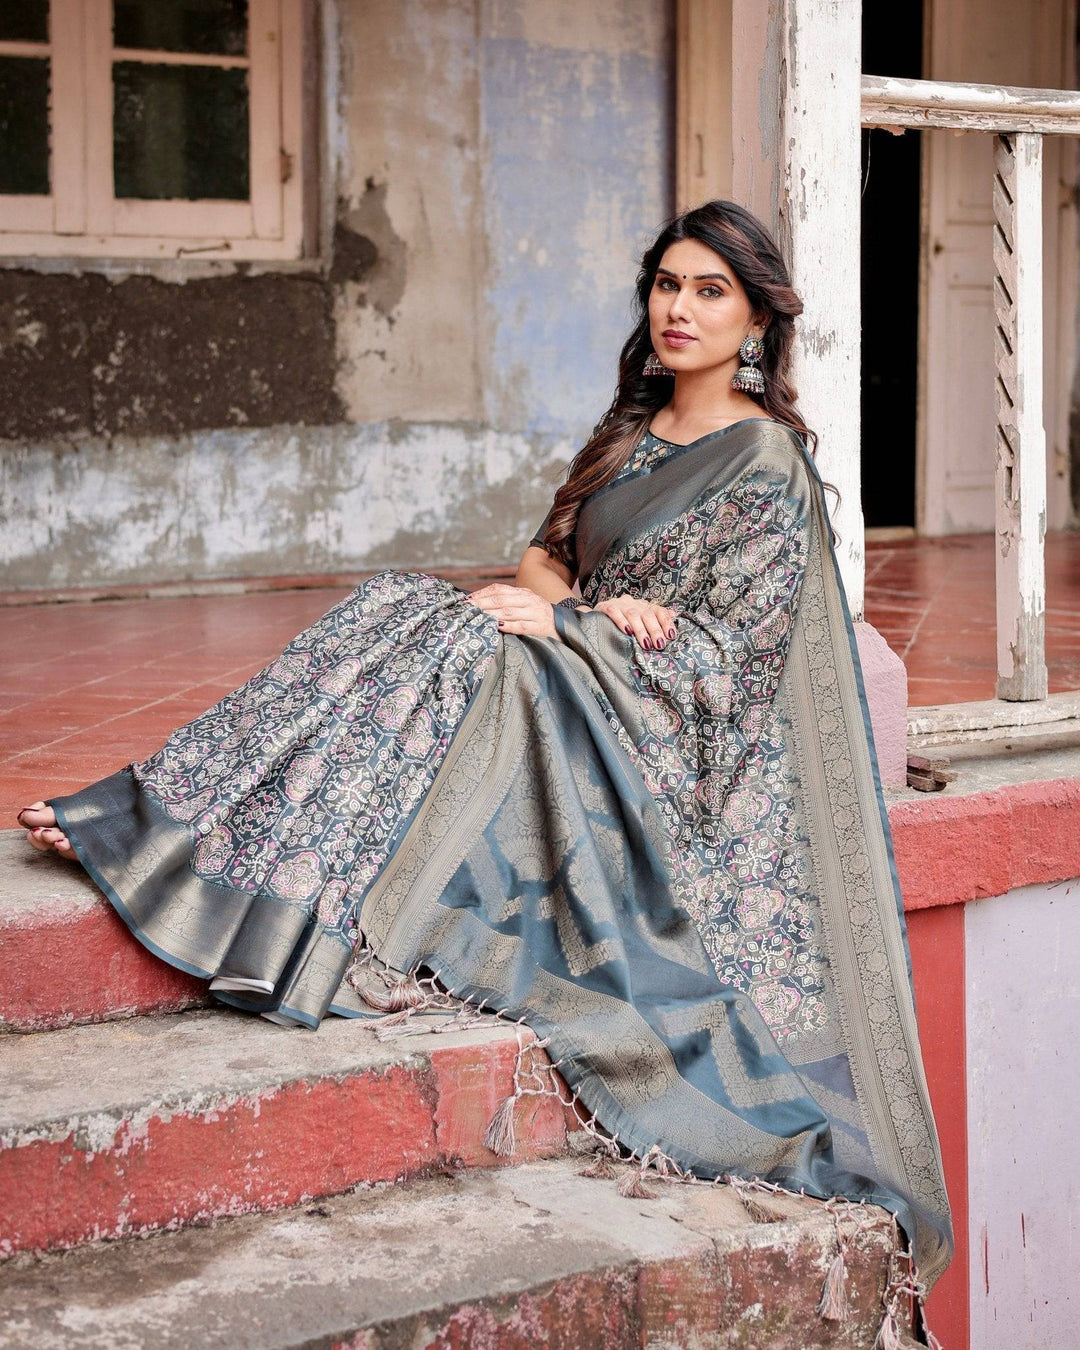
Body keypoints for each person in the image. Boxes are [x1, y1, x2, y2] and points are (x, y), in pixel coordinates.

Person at [17, 200, 952, 1331]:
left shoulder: (764, 463)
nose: (679, 308)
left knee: (461, 637)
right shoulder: (632, 432)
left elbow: (730, 668)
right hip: (580, 672)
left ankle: (184, 832)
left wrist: (585, 631)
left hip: (655, 741)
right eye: (667, 284)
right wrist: (571, 615)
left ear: (756, 314)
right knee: (415, 612)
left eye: (710, 290)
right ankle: (172, 819)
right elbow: (542, 563)